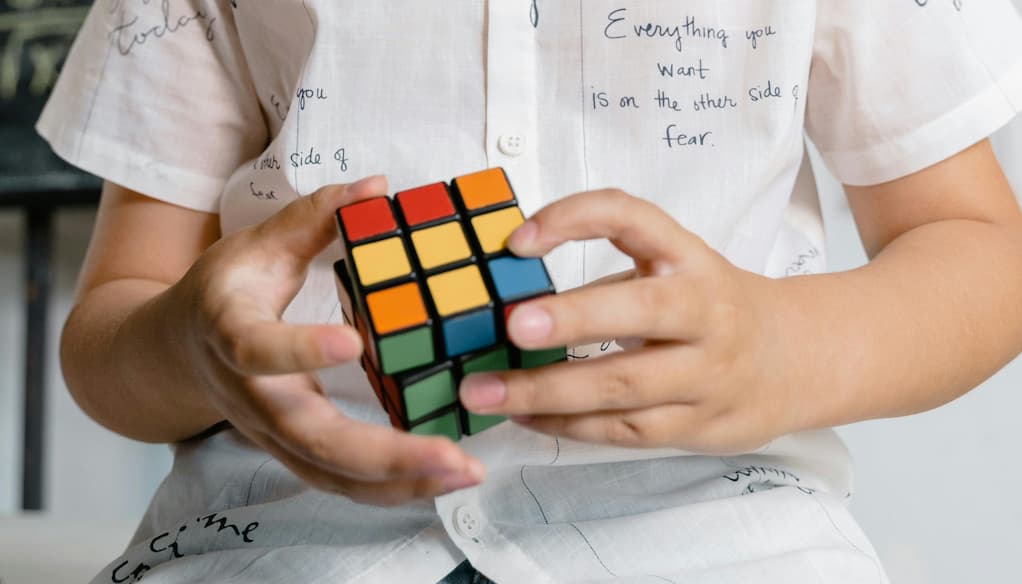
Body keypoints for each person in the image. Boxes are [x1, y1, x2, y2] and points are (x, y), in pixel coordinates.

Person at [37, 1, 1022, 582]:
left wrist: (789, 346)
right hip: (280, 536)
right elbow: (118, 320)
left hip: (722, 532)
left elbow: (977, 246)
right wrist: (189, 345)